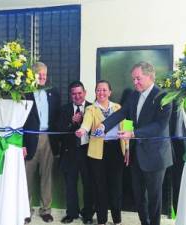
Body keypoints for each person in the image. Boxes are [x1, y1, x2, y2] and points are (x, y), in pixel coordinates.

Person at [99, 61, 173, 225]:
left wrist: (133, 133)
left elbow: (159, 126)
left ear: (149, 76)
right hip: (136, 155)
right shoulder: (134, 95)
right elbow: (122, 113)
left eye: (138, 78)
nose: (135, 82)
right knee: (138, 196)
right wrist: (104, 125)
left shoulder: (163, 96)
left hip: (155, 156)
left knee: (154, 198)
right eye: (133, 79)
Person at [75, 80, 126, 225]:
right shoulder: (90, 109)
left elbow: (127, 126)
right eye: (98, 90)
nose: (101, 93)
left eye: (104, 90)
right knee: (99, 188)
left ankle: (117, 220)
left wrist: (127, 148)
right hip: (97, 153)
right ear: (95, 92)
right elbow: (86, 123)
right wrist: (82, 130)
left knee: (116, 188)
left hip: (116, 150)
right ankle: (102, 220)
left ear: (110, 92)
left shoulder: (118, 107)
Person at [23, 62, 61, 223]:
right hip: (29, 139)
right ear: (32, 76)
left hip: (48, 139)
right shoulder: (23, 93)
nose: (43, 78)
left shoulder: (53, 93)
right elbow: (20, 121)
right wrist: (21, 144)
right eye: (40, 75)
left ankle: (46, 210)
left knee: (47, 176)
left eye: (45, 75)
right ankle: (25, 210)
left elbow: (57, 117)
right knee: (27, 177)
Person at [58, 81, 95, 224]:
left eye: (80, 93)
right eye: (74, 94)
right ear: (70, 95)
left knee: (88, 185)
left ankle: (87, 215)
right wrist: (71, 122)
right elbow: (59, 132)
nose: (77, 96)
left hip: (88, 153)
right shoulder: (64, 109)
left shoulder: (93, 108)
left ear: (84, 93)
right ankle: (71, 213)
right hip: (70, 153)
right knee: (70, 185)